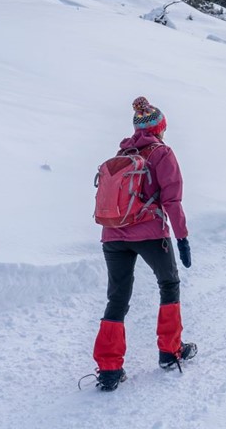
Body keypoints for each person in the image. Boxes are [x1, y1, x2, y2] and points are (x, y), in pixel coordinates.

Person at [91, 97, 196, 391]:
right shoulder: (162, 154)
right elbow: (172, 201)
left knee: (117, 298)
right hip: (150, 233)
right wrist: (182, 237)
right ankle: (170, 350)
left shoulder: (122, 152)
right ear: (160, 127)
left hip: (113, 235)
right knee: (169, 284)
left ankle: (109, 369)